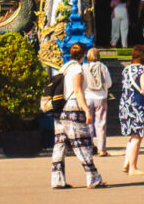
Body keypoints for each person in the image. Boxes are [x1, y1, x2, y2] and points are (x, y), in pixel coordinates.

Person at [51, 43, 105, 189]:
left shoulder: (64, 68)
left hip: (59, 108)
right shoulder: (77, 69)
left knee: (60, 144)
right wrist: (87, 110)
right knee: (82, 144)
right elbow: (78, 92)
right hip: (72, 108)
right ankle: (93, 177)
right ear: (84, 55)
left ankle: (57, 178)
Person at [119, 44, 144, 176]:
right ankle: (133, 167)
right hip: (138, 105)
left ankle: (127, 163)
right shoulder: (143, 71)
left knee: (132, 135)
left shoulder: (126, 70)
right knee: (138, 136)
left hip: (125, 104)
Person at [84, 47, 112, 157]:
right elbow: (109, 83)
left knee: (88, 123)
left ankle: (89, 146)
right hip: (101, 97)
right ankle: (102, 149)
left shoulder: (84, 67)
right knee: (101, 123)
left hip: (88, 97)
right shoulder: (103, 67)